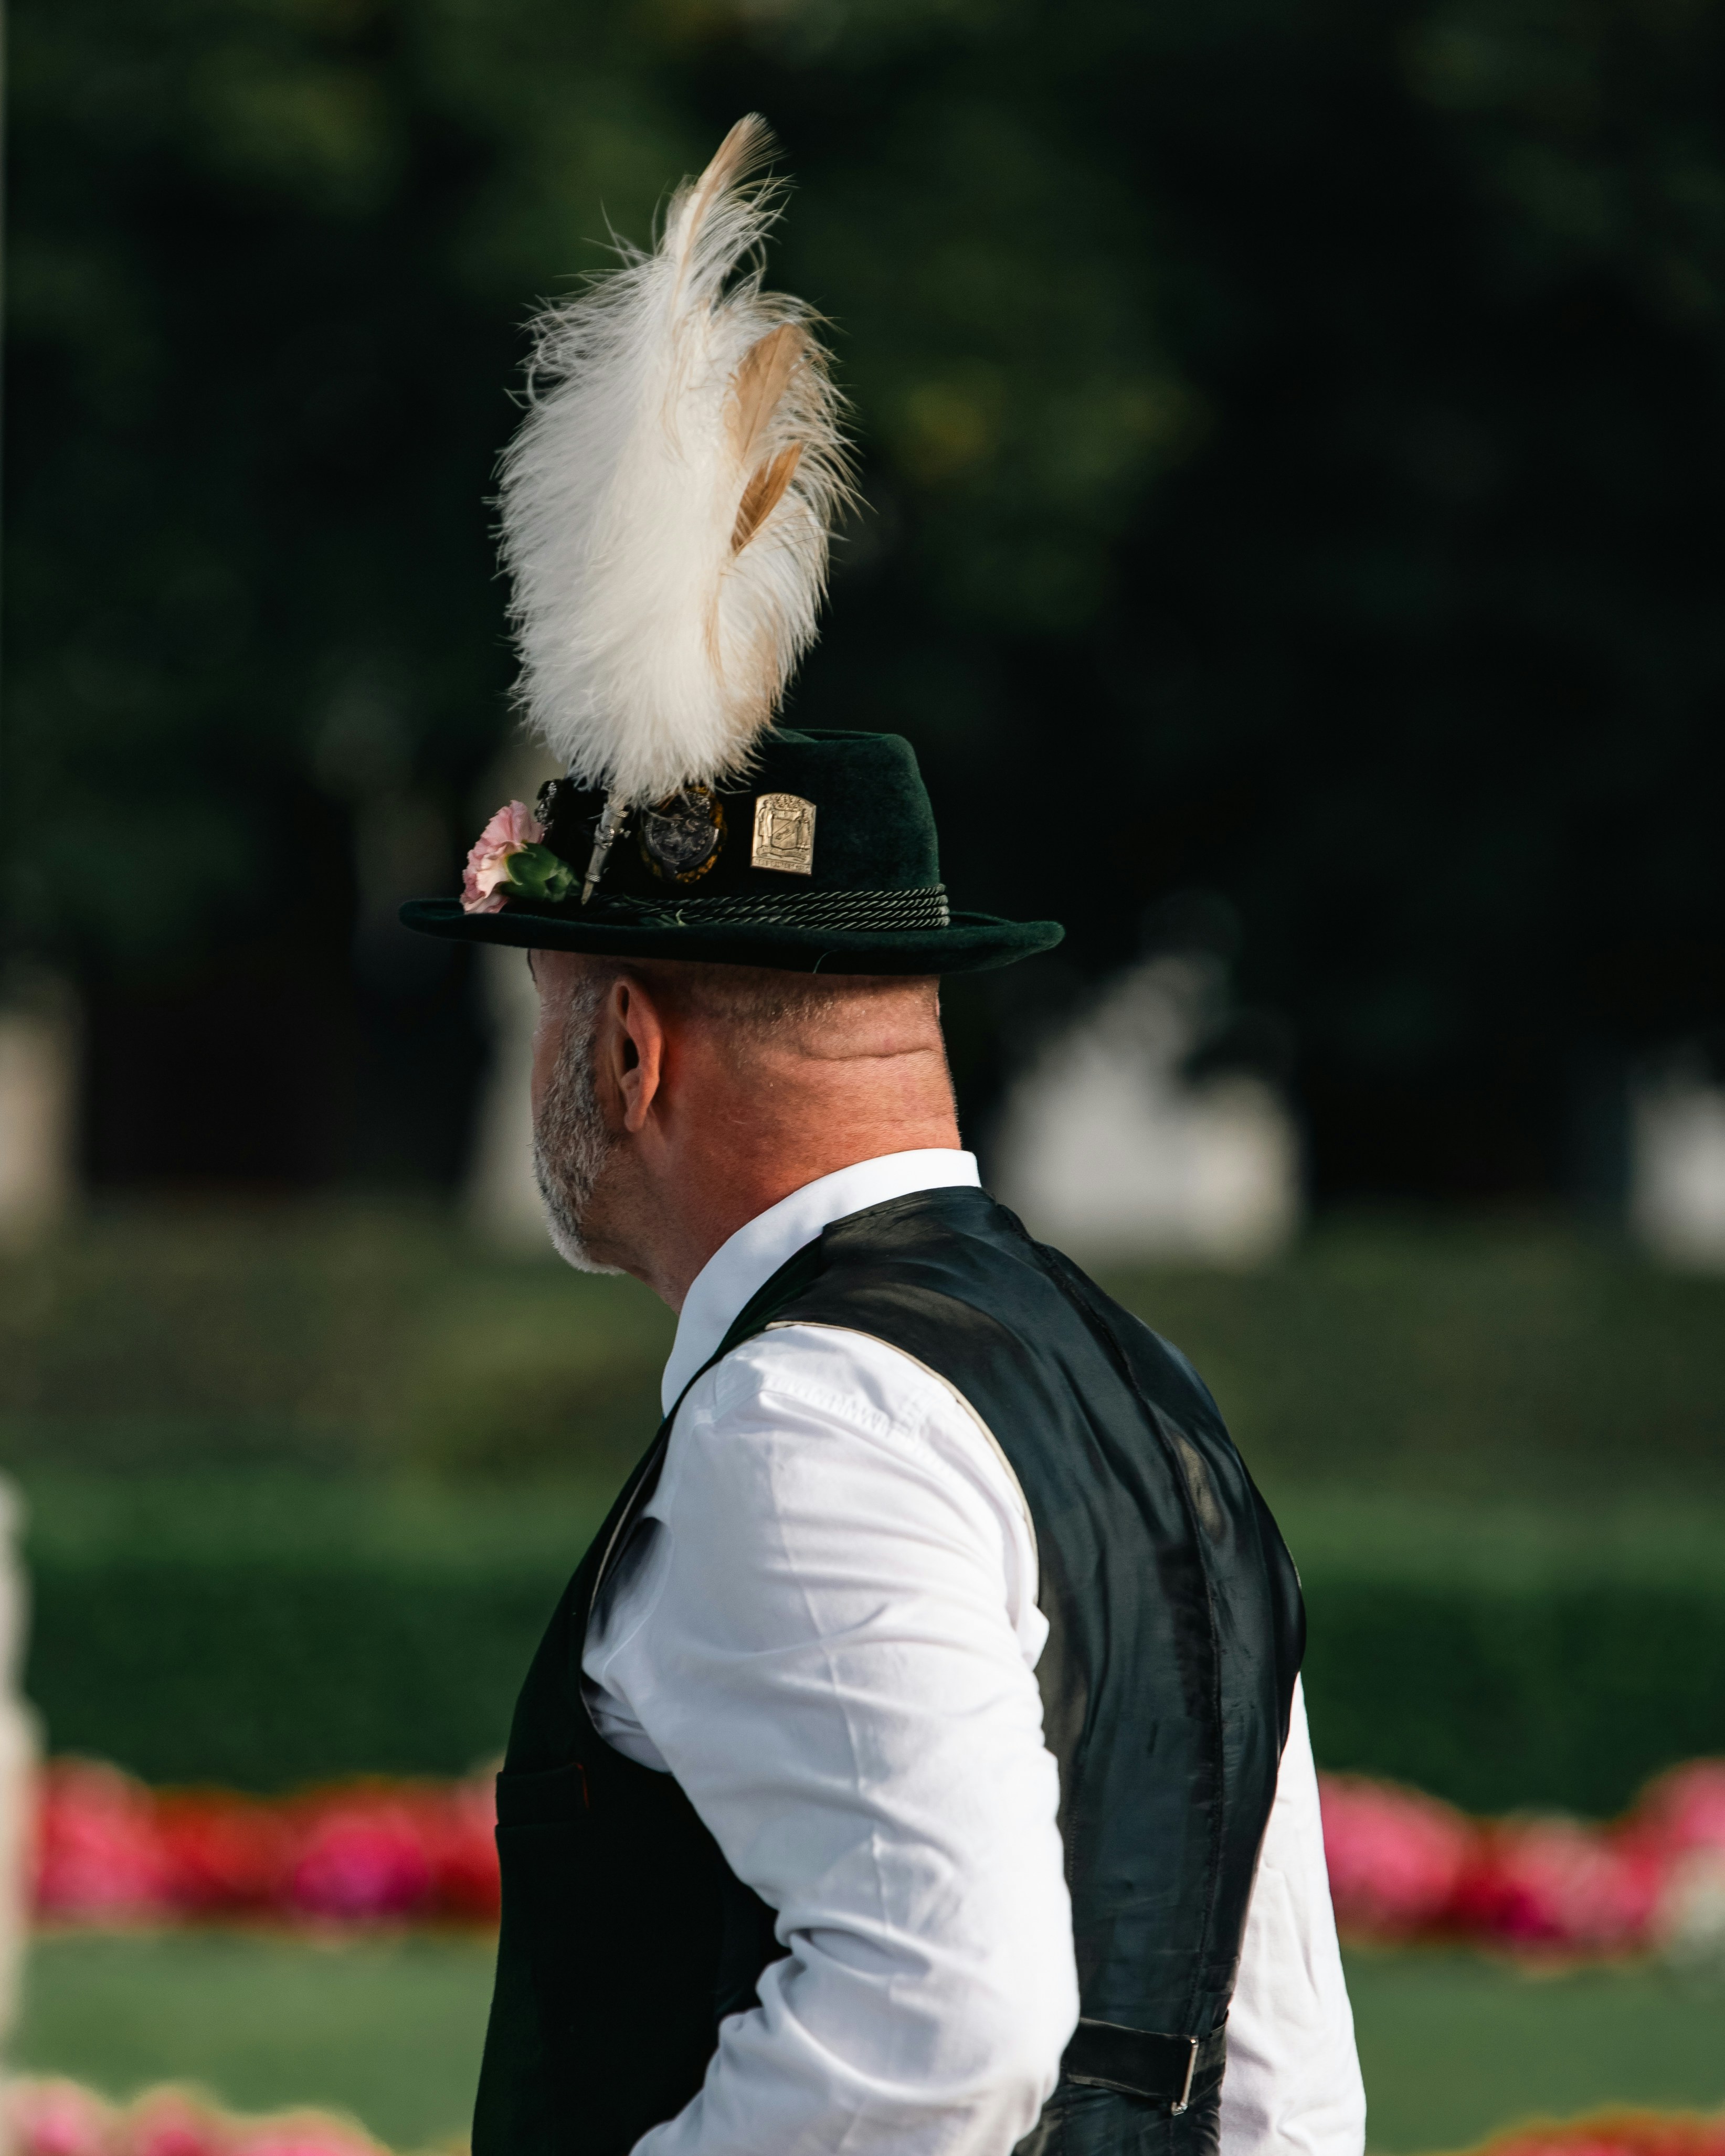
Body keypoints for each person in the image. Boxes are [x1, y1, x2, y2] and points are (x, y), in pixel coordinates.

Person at [403, 117, 1366, 2156]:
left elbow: (950, 2021)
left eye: (555, 1007)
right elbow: (1278, 2061)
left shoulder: (811, 1413)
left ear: (638, 1051)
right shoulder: (1134, 1380)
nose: (545, 1063)